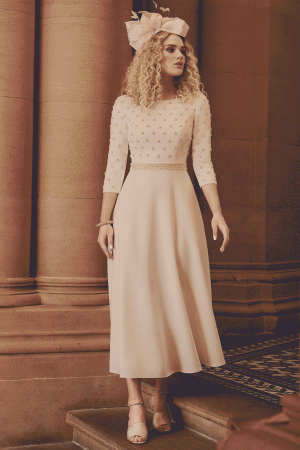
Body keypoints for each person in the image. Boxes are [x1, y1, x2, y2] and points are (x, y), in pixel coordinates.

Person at [97, 10, 229, 445]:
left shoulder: (196, 103)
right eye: (171, 50)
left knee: (174, 297)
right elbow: (115, 166)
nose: (180, 57)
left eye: (183, 51)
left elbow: (203, 163)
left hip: (179, 206)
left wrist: (216, 211)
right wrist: (105, 219)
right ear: (151, 56)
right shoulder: (125, 106)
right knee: (135, 301)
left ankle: (161, 396)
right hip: (135, 206)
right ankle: (135, 401)